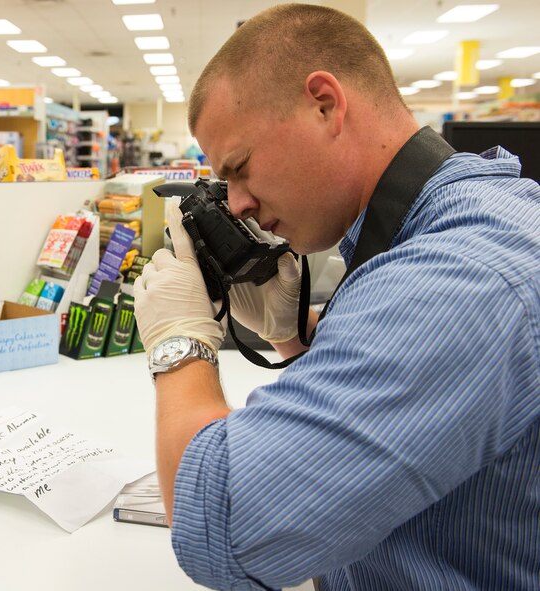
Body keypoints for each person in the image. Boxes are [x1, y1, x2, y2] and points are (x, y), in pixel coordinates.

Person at [133, 4, 539, 590]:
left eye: (240, 167)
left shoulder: (462, 279)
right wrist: (296, 337)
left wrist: (179, 346)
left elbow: (224, 527)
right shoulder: (430, 220)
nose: (239, 203)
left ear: (324, 103)